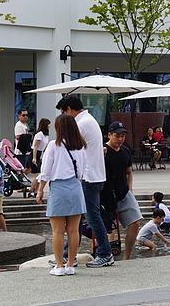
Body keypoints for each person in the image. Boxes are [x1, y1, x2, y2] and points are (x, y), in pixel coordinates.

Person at [57, 95, 113, 268]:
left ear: (70, 109)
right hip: (94, 176)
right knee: (78, 218)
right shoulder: (89, 120)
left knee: (91, 217)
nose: (64, 117)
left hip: (88, 178)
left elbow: (67, 148)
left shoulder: (80, 124)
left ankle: (105, 253)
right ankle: (68, 255)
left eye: (63, 113)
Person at [36, 114, 87, 276]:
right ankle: (70, 265)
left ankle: (59, 266)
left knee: (57, 231)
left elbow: (46, 171)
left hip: (58, 188)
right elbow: (83, 172)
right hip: (76, 188)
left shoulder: (53, 145)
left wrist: (40, 189)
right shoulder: (81, 147)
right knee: (73, 231)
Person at [101, 122, 143, 260]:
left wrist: (130, 187)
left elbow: (129, 172)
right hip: (105, 195)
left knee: (135, 222)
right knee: (108, 227)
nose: (120, 139)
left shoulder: (125, 151)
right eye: (117, 136)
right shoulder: (102, 151)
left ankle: (127, 256)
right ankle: (103, 254)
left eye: (123, 136)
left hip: (123, 192)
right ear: (109, 135)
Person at [30, 118, 50, 195]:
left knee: (40, 175)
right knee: (37, 175)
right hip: (34, 154)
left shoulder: (45, 135)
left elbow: (45, 147)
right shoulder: (39, 134)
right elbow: (35, 146)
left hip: (40, 154)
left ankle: (36, 191)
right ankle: (31, 191)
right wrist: (34, 158)